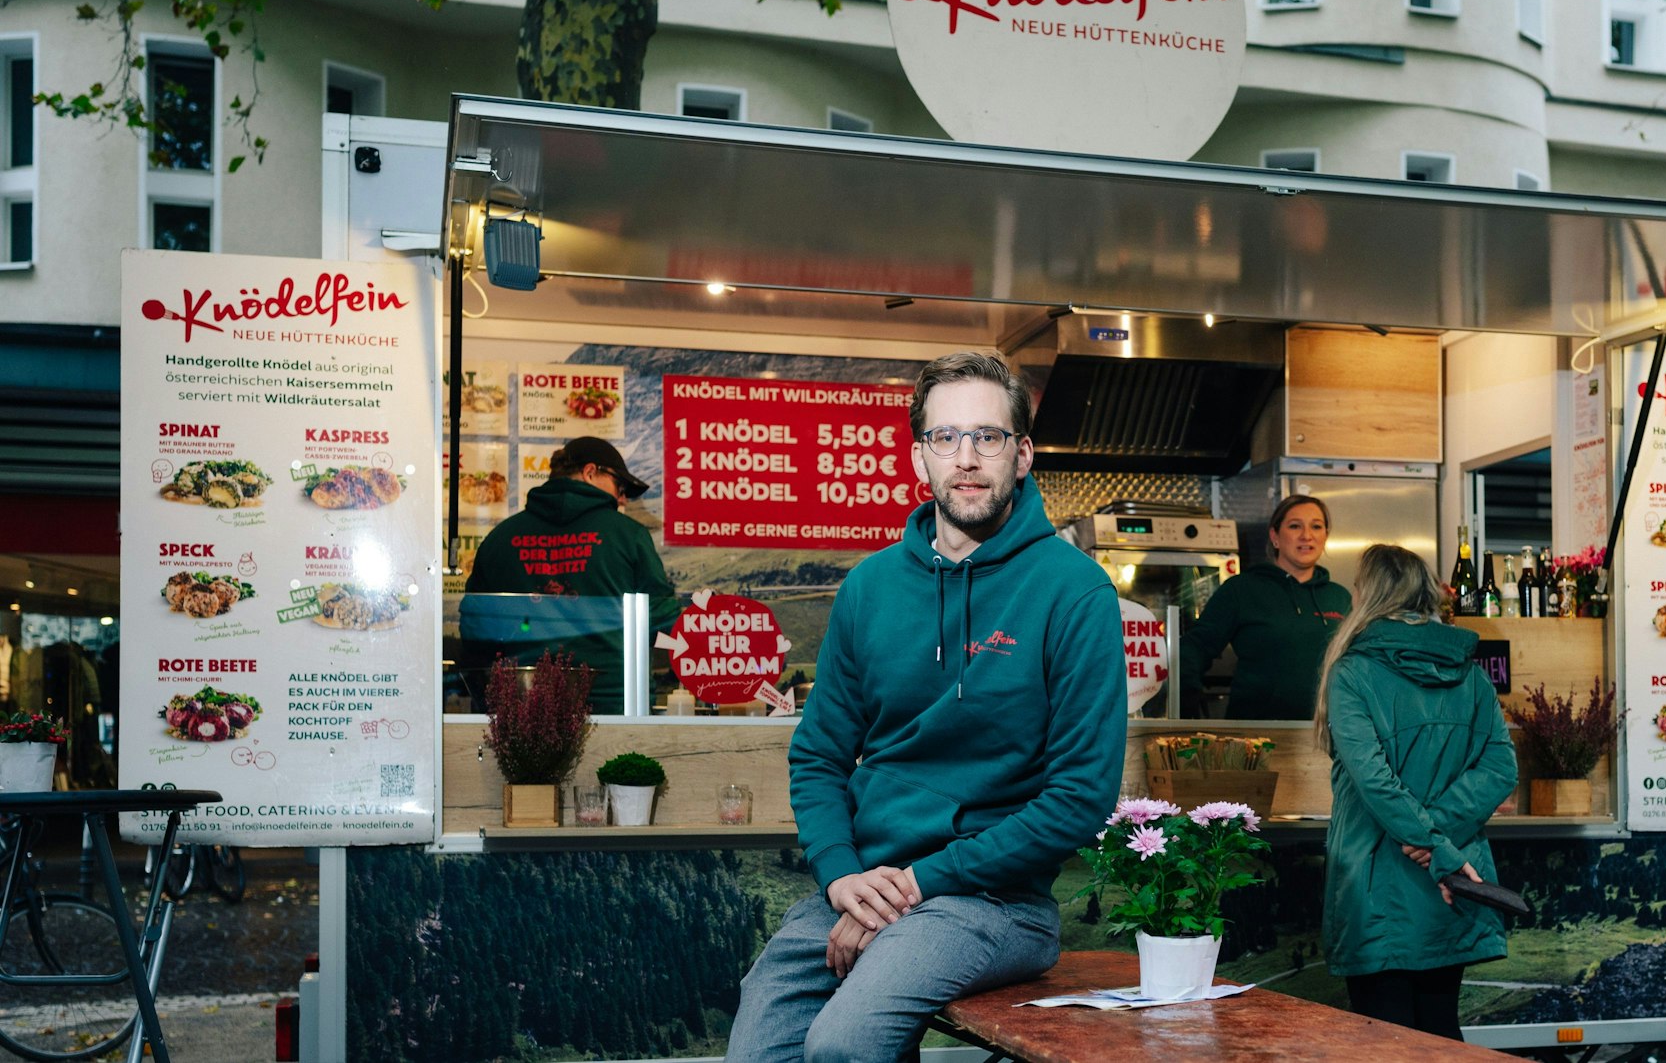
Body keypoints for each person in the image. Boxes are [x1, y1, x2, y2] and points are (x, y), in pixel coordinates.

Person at [726, 351, 1126, 1063]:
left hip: (994, 901)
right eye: (946, 438)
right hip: (864, 882)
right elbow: (819, 755)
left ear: (1023, 453)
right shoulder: (871, 586)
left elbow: (1079, 798)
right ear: (919, 456)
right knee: (761, 1049)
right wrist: (844, 875)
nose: (966, 458)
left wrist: (918, 885)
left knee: (845, 1044)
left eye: (988, 437)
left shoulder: (1075, 592)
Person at [1316, 543, 1516, 1041]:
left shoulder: (1351, 672)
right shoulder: (1469, 672)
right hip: (1452, 885)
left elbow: (1375, 783)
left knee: (1386, 1043)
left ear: (1365, 595)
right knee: (1441, 1033)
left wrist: (1432, 847)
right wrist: (1442, 841)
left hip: (1377, 880)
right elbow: (1500, 767)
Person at [463, 436, 678, 713]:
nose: (623, 497)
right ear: (590, 472)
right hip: (615, 708)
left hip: (523, 714)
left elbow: (473, 631)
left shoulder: (500, 539)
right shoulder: (628, 535)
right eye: (620, 486)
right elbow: (662, 619)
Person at [1179, 494, 1351, 719]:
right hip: (1257, 736)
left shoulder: (1339, 597)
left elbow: (1357, 665)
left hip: (1324, 735)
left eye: (1316, 527)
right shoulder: (1242, 589)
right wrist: (1186, 705)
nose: (1306, 536)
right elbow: (1194, 648)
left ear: (1325, 536)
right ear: (1275, 536)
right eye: (1294, 526)